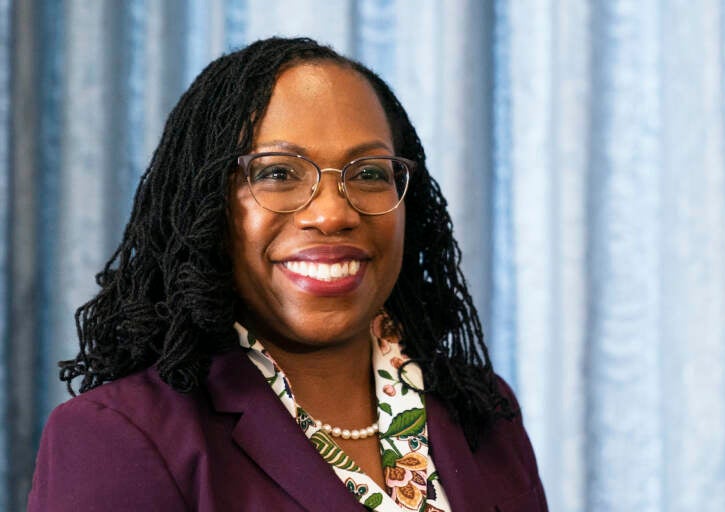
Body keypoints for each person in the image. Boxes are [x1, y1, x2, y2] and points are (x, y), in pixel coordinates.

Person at [28, 37, 547, 511]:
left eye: (368, 173)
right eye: (277, 173)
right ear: (206, 208)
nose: (332, 214)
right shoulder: (119, 437)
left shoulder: (482, 411)